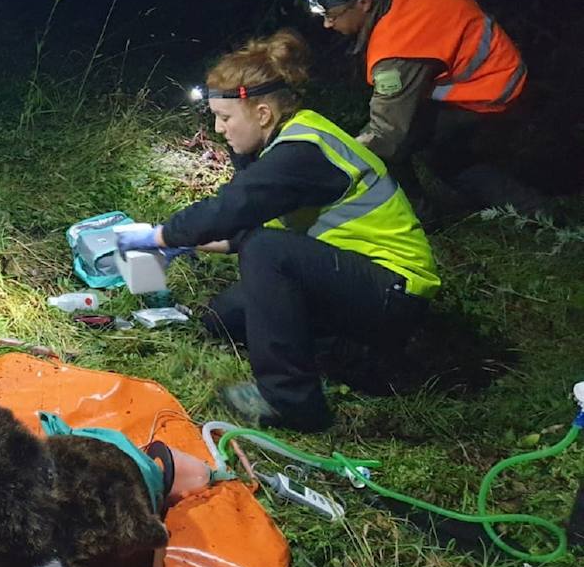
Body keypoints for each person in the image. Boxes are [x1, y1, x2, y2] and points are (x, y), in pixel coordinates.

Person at [116, 30, 439, 431]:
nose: (219, 129)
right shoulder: (280, 146)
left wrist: (161, 235)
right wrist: (186, 244)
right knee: (225, 318)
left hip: (393, 288)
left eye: (225, 117)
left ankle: (292, 402)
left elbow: (234, 208)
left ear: (263, 114)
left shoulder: (303, 150)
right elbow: (246, 224)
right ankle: (362, 359)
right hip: (351, 278)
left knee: (268, 252)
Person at [305, 0, 541, 215]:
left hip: (492, 88)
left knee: (415, 154)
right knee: (425, 142)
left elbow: (387, 135)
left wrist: (337, 159)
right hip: (499, 57)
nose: (327, 24)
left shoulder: (397, 51)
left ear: (364, 3)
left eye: (333, 16)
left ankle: (533, 215)